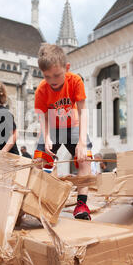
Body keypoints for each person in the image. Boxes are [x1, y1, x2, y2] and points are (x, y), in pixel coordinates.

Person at [34, 43, 93, 220]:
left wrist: (82, 143)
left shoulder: (75, 81)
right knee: (39, 161)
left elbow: (83, 111)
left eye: (57, 75)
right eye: (47, 76)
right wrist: (46, 138)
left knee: (85, 160)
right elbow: (42, 118)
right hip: (52, 127)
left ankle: (81, 205)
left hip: (73, 126)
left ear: (66, 68)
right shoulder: (41, 90)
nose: (53, 80)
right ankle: (39, 202)